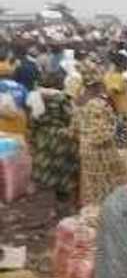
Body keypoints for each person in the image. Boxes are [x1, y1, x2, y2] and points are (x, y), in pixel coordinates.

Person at [76, 70, 127, 207]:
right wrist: (115, 126)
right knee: (105, 186)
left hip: (86, 150)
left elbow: (75, 128)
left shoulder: (81, 101)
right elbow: (100, 136)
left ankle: (94, 209)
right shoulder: (99, 105)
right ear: (98, 86)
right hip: (101, 154)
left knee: (92, 185)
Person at [28, 71, 79, 205]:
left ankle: (47, 196)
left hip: (43, 136)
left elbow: (33, 121)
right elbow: (70, 118)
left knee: (47, 165)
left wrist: (33, 138)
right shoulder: (62, 98)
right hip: (60, 137)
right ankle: (62, 199)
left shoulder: (35, 97)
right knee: (62, 167)